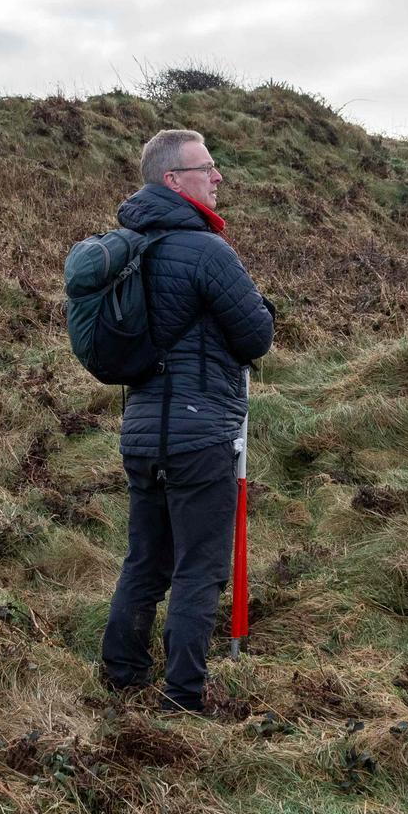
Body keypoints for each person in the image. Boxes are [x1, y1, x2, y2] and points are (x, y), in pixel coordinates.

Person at [99, 129, 275, 714]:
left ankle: (122, 675)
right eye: (207, 168)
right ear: (174, 181)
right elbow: (257, 335)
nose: (218, 177)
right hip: (201, 439)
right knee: (199, 568)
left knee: (146, 561)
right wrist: (262, 311)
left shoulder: (129, 247)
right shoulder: (207, 250)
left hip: (143, 434)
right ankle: (182, 695)